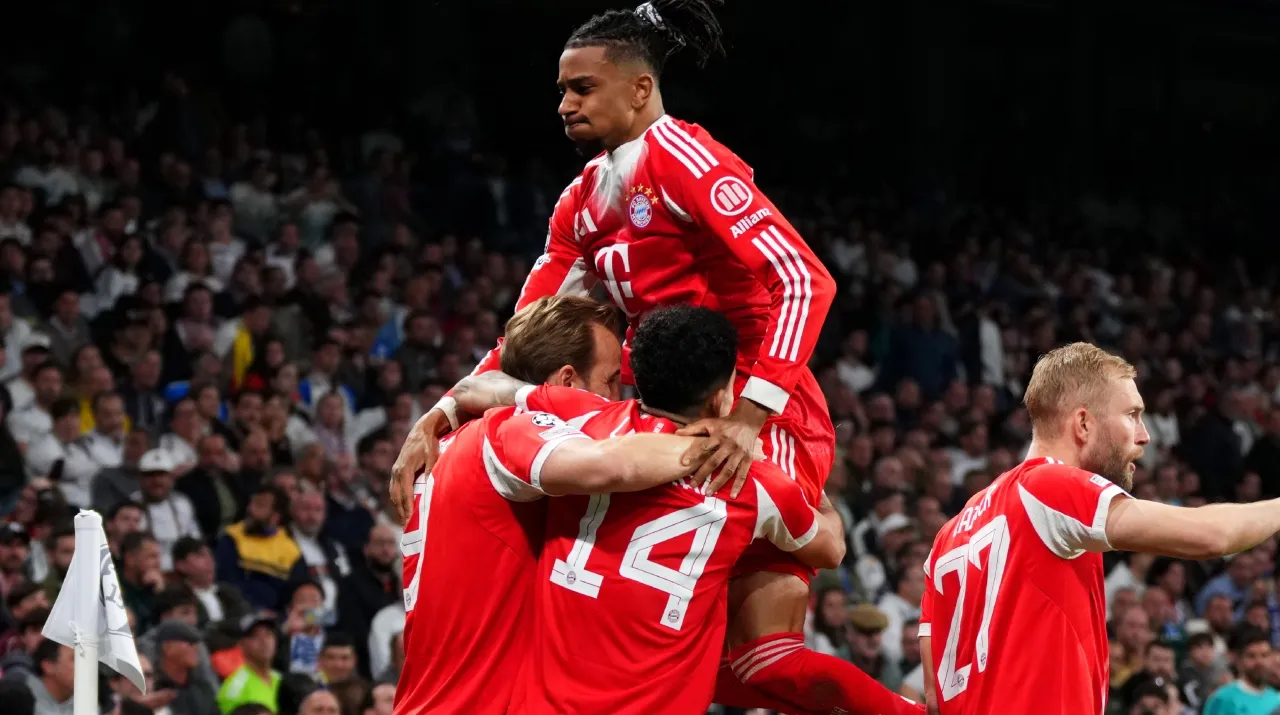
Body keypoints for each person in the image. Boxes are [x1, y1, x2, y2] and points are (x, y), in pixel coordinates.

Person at [387, 4, 922, 714]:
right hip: (654, 412)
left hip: (748, 404)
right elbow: (525, 337)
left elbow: (803, 279)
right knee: (659, 636)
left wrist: (749, 418)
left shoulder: (687, 160)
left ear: (640, 89)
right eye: (561, 89)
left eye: (583, 88)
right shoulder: (579, 202)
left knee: (763, 657)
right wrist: (446, 406)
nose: (565, 104)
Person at [394, 296, 751, 715]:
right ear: (567, 381)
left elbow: (475, 388)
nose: (618, 399)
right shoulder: (509, 430)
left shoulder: (449, 444)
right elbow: (612, 465)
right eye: (610, 380)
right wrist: (728, 442)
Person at [486, 305, 845, 714]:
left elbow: (484, 387)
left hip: (543, 706)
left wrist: (443, 412)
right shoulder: (757, 483)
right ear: (721, 397)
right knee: (768, 661)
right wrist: (818, 495)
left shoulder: (584, 418)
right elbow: (831, 550)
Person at [919, 342, 1280, 715]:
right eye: (1131, 415)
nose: (1144, 435)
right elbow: (1212, 537)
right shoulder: (1048, 485)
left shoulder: (949, 534)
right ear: (1083, 424)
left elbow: (933, 697)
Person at [1201, 628, 1280, 714]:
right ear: (1239, 661)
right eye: (1251, 656)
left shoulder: (1276, 699)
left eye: (1264, 655)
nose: (1259, 662)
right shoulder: (1222, 699)